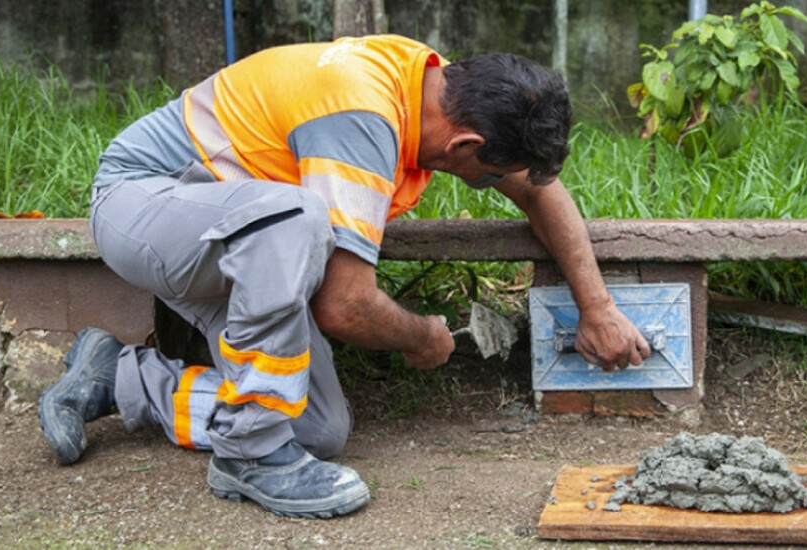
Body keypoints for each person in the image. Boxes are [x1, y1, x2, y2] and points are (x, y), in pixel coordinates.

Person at [37, 34, 651, 519]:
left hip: (241, 244)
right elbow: (344, 305)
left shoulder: (436, 90)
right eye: (490, 174)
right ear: (466, 142)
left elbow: (541, 193)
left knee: (316, 428)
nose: (493, 185)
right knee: (297, 216)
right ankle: (248, 455)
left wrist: (596, 308)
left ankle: (116, 377)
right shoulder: (361, 114)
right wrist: (422, 337)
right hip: (147, 206)